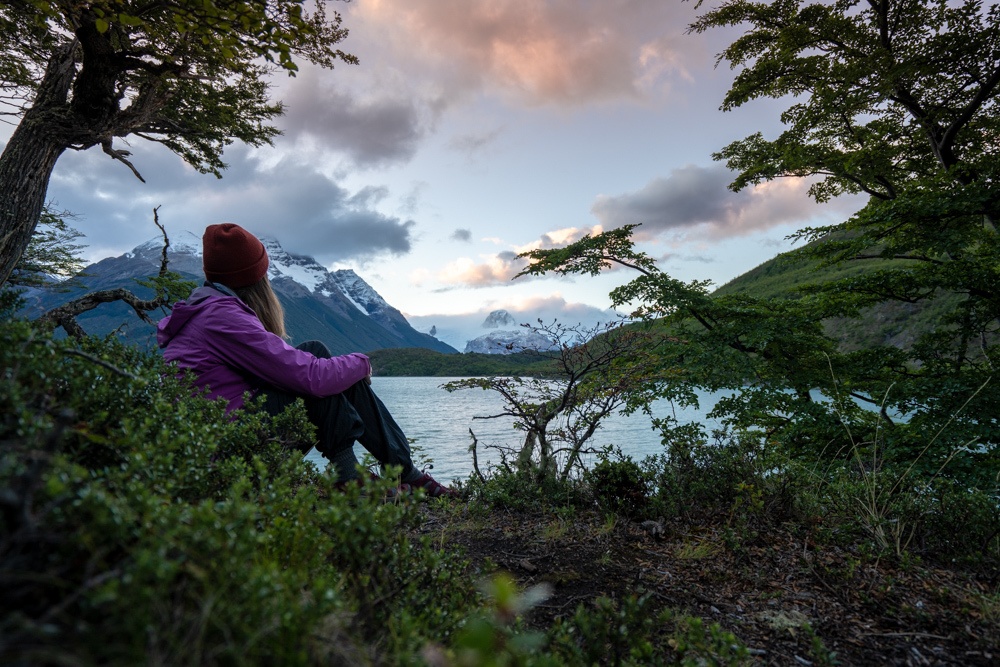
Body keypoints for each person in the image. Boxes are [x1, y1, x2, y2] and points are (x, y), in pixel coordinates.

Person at [156, 222, 457, 498]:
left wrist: (348, 370)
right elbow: (311, 377)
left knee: (320, 361)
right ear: (254, 278)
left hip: (215, 449)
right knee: (317, 361)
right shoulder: (221, 317)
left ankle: (399, 472)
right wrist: (363, 364)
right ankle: (353, 475)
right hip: (228, 458)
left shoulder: (208, 311)